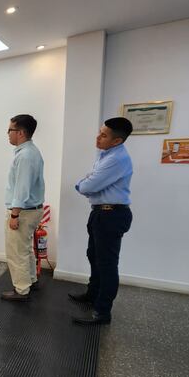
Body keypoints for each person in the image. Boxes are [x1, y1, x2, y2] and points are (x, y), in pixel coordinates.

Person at [70, 117, 134, 325]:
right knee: (94, 256)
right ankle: (93, 294)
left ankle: (102, 312)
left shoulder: (116, 159)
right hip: (101, 213)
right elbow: (92, 180)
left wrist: (84, 185)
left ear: (117, 141)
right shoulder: (105, 155)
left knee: (107, 264)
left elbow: (88, 185)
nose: (98, 137)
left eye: (103, 135)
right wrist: (88, 183)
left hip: (111, 215)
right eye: (99, 132)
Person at [2, 114, 45, 302]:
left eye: (10, 130)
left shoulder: (25, 156)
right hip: (32, 210)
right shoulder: (31, 152)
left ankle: (21, 290)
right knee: (25, 248)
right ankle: (31, 281)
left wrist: (14, 215)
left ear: (20, 132)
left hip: (23, 212)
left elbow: (22, 189)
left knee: (16, 252)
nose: (8, 133)